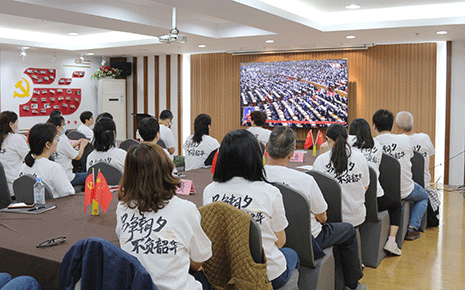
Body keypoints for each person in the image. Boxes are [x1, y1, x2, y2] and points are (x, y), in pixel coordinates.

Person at [265, 126, 366, 290]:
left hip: (273, 238)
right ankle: (352, 285)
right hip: (309, 240)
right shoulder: (305, 180)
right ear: (292, 153)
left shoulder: (256, 178)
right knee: (349, 230)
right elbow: (323, 217)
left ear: (266, 148)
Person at [203, 129, 299, 289]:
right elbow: (281, 242)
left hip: (224, 274)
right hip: (264, 275)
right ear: (256, 157)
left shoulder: (209, 191)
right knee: (292, 254)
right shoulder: (270, 192)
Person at [116, 143, 212, 290]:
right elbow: (199, 259)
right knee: (202, 276)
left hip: (136, 285)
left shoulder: (123, 207)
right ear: (166, 169)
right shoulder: (185, 209)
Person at [349, 118, 402, 255]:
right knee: (396, 205)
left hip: (352, 198)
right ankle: (391, 241)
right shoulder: (377, 144)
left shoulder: (346, 144)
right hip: (374, 199)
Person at [372, 109, 429, 240]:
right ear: (393, 125)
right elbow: (412, 157)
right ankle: (412, 228)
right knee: (424, 196)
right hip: (405, 190)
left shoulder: (372, 144)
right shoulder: (404, 139)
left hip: (381, 194)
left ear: (374, 126)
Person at [313, 123, 370, 227]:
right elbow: (365, 187)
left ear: (328, 139)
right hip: (356, 217)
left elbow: (316, 193)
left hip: (330, 218)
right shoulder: (360, 157)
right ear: (347, 138)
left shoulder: (321, 160)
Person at [395, 111, 440, 224]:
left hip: (402, 187)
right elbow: (429, 155)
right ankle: (413, 226)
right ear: (413, 124)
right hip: (423, 184)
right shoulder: (424, 138)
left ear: (397, 127)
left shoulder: (397, 142)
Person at [18, 123, 75, 198]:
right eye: (56, 138)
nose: (57, 141)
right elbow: (69, 196)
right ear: (48, 144)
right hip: (53, 208)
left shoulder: (23, 167)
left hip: (29, 209)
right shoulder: (54, 168)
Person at [46, 116, 89, 186]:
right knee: (93, 175)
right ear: (58, 127)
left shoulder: (49, 139)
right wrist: (83, 145)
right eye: (63, 124)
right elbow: (78, 157)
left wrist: (77, 143)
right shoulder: (61, 140)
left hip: (54, 178)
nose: (64, 126)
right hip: (68, 178)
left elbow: (64, 150)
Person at [0, 111, 29, 195]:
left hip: (3, 189)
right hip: (14, 188)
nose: (17, 126)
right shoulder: (15, 138)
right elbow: (28, 159)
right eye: (17, 123)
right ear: (11, 124)